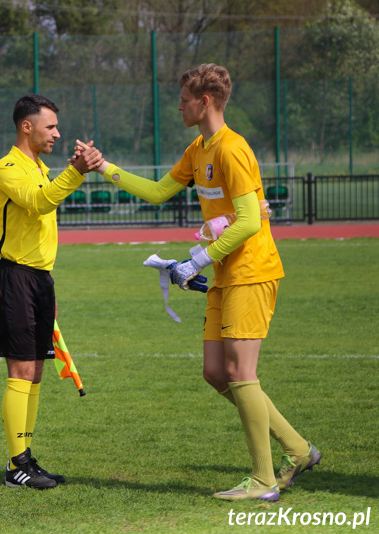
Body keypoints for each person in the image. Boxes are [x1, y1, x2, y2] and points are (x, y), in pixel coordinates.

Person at [84, 64, 320, 501]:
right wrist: (104, 168)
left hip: (252, 272)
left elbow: (250, 221)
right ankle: (299, 449)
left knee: (240, 372)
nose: (179, 105)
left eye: (185, 98)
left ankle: (265, 480)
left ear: (205, 101)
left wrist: (198, 261)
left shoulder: (232, 149)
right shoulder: (199, 148)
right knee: (216, 373)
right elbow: (157, 192)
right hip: (225, 275)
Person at [0, 94, 102, 490]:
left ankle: (25, 460)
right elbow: (38, 203)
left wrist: (70, 170)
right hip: (13, 278)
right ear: (27, 127)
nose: (57, 133)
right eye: (50, 126)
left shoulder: (38, 167)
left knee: (35, 373)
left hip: (38, 280)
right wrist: (77, 172)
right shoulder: (7, 168)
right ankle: (16, 464)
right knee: (21, 371)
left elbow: (45, 198)